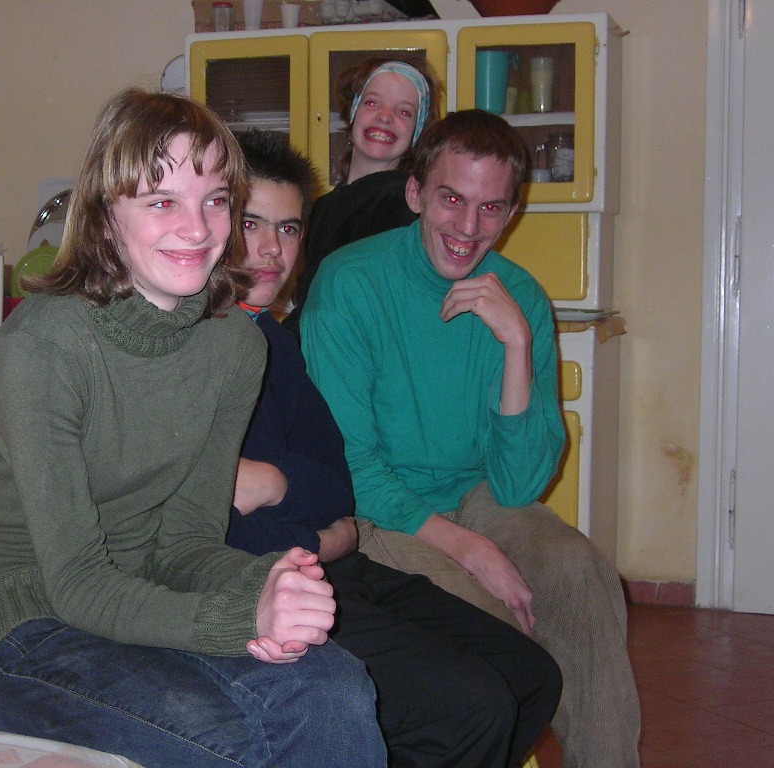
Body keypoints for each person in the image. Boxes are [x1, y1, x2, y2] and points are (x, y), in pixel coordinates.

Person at [0, 88, 388, 768]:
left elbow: (184, 542)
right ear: (104, 215)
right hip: (19, 626)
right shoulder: (41, 350)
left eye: (215, 200)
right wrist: (241, 615)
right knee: (235, 744)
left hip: (140, 598)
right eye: (161, 202)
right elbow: (76, 583)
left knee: (337, 690)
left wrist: (266, 583)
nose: (197, 228)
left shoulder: (234, 347)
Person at [300, 110, 642, 768]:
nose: (467, 227)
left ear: (511, 213)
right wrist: (469, 549)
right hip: (378, 511)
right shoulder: (350, 284)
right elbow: (350, 466)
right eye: (451, 199)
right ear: (415, 194)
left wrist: (516, 344)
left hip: (475, 493)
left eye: (490, 208)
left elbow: (518, 485)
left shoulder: (520, 298)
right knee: (496, 625)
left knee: (579, 573)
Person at [229, 128, 561, 768]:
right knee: (475, 703)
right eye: (251, 223)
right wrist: (316, 522)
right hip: (282, 576)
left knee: (531, 677)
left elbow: (330, 479)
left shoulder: (271, 342)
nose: (271, 249)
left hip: (331, 554)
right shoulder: (209, 341)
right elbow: (213, 518)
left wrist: (282, 490)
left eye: (289, 228)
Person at [283, 57, 438, 337]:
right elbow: (310, 302)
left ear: (417, 133)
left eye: (404, 112)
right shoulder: (324, 206)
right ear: (353, 111)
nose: (385, 116)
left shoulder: (405, 203)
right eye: (372, 102)